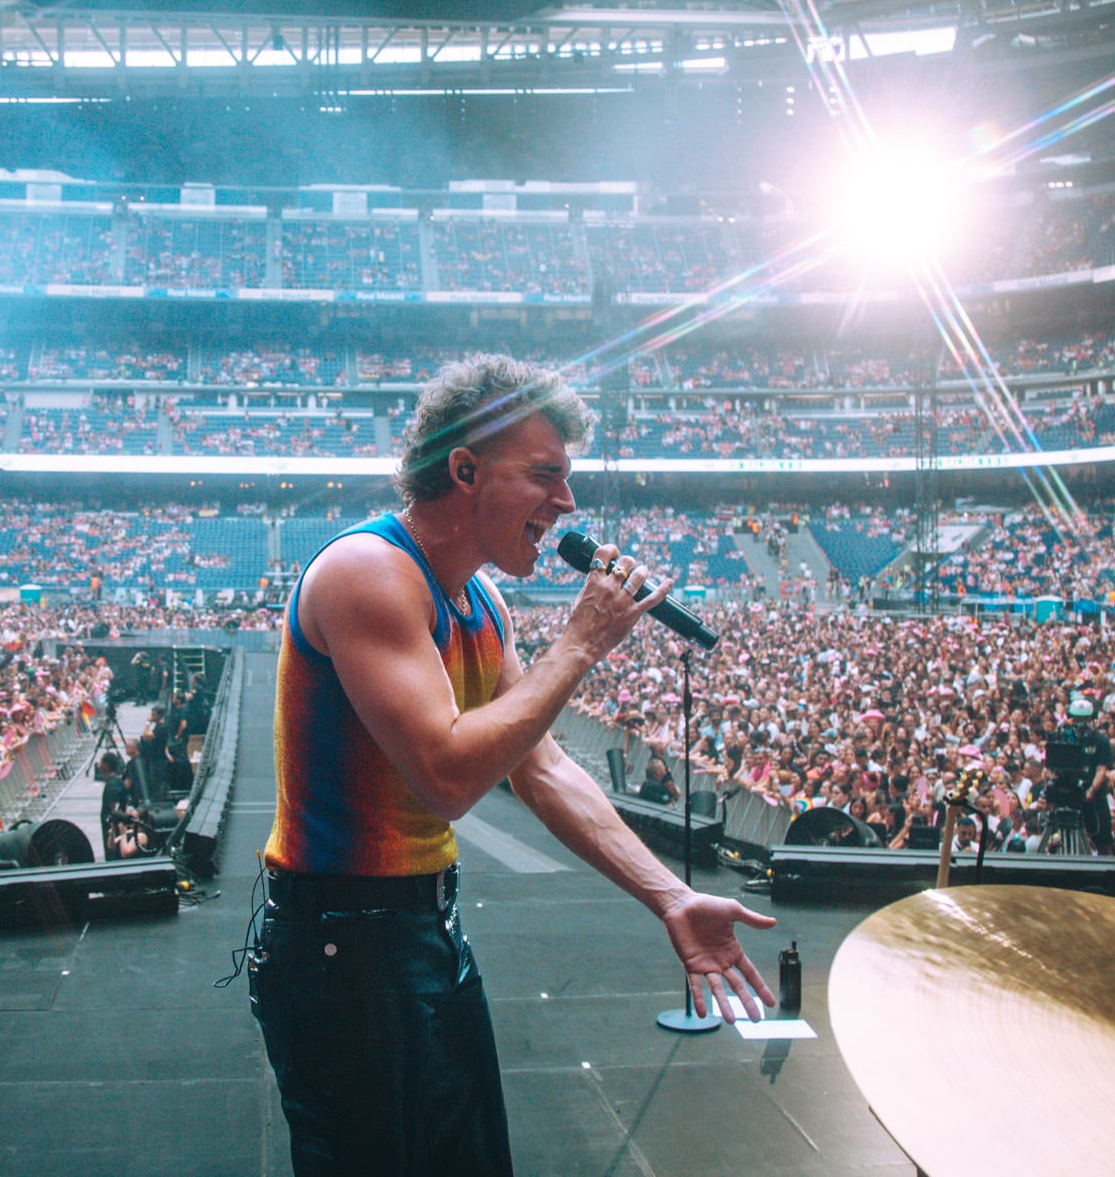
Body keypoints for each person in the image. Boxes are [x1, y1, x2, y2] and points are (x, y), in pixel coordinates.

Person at [249, 355, 776, 1177]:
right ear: (464, 469)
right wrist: (579, 644)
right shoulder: (367, 574)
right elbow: (450, 778)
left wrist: (669, 894)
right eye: (544, 474)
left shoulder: (480, 603)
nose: (566, 504)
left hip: (423, 931)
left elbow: (544, 769)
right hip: (338, 951)